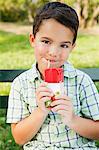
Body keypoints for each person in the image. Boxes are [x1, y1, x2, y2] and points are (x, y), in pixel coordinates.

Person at [7, 2, 99, 150]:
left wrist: (72, 119)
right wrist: (40, 111)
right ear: (32, 40)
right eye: (46, 41)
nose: (54, 52)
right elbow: (19, 138)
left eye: (64, 45)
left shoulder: (82, 82)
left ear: (72, 47)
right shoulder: (21, 84)